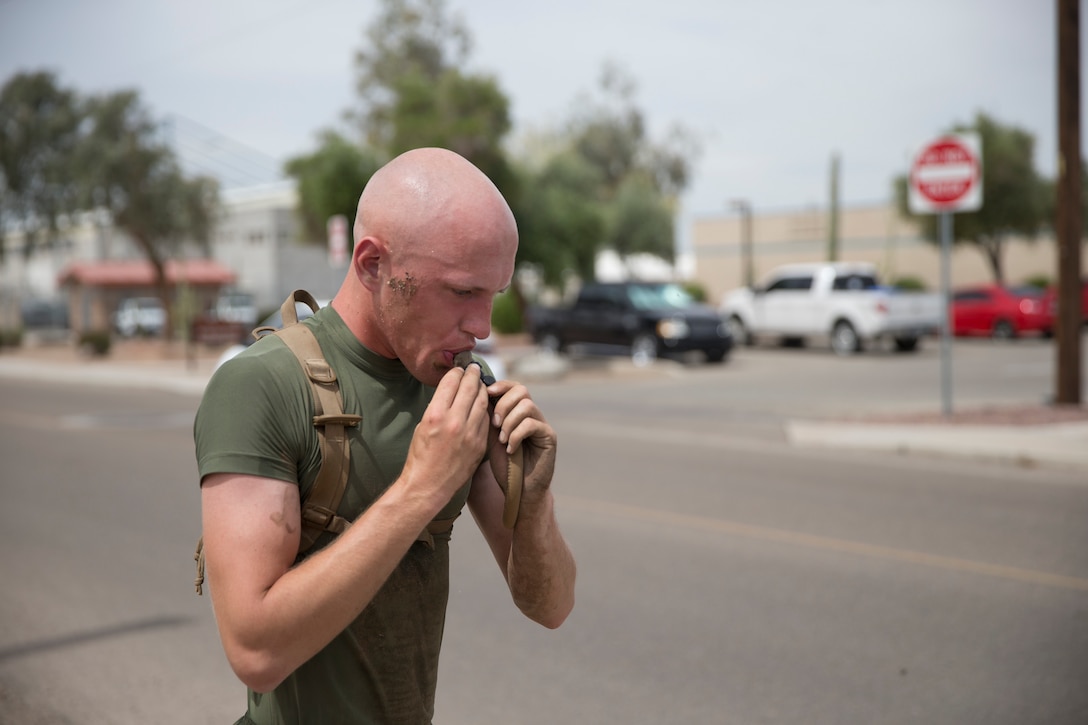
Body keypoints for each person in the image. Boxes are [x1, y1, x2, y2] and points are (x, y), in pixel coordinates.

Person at [194, 147, 577, 724]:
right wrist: (422, 488)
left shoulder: (461, 384)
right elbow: (255, 652)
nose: (482, 326)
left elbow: (550, 607)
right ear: (373, 265)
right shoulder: (261, 386)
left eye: (493, 294)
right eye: (462, 292)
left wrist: (535, 505)